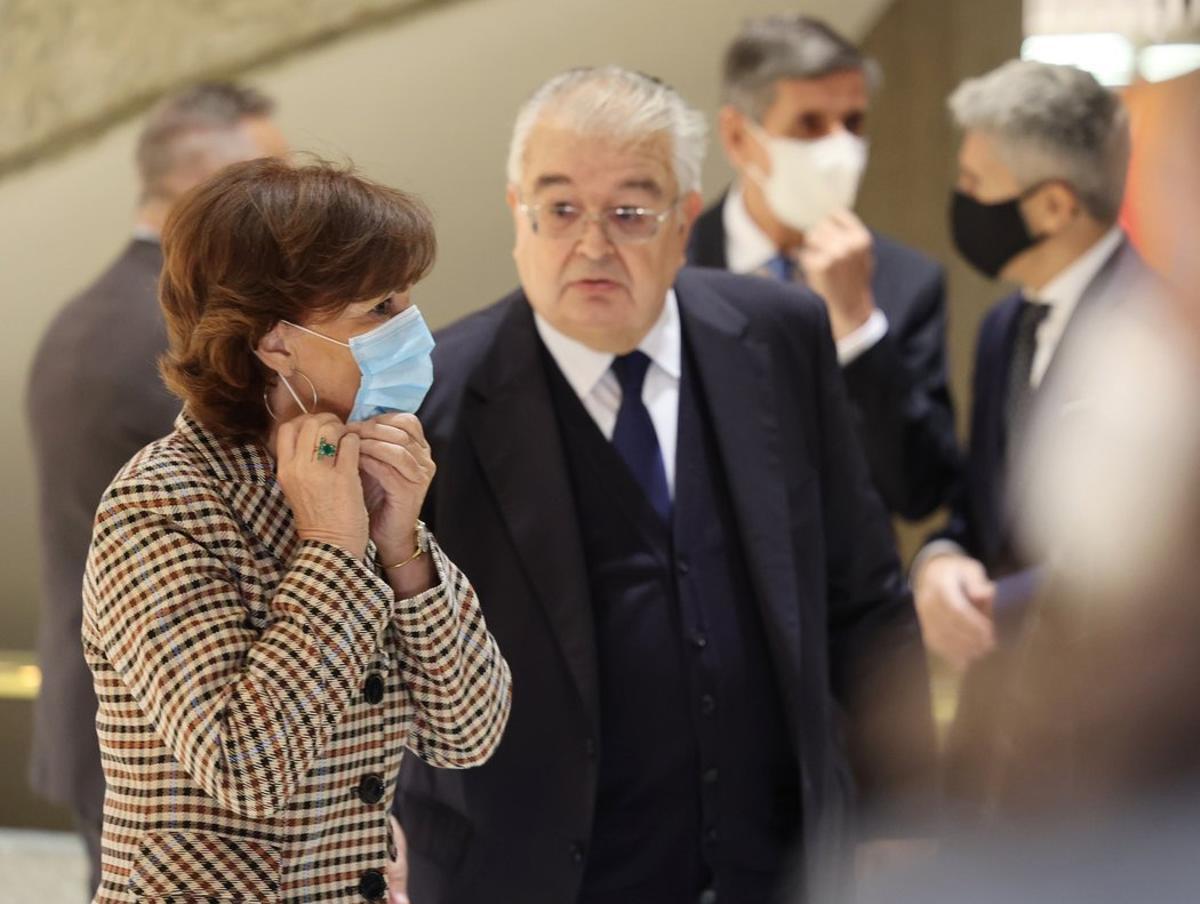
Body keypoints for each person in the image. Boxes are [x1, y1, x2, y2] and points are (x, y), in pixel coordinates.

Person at [393, 66, 934, 904]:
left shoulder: (778, 337)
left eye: (631, 212)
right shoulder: (435, 402)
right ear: (517, 214)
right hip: (532, 872)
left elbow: (863, 596)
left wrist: (902, 815)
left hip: (775, 865)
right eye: (561, 207)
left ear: (686, 221)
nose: (594, 244)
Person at [81, 157, 511, 904]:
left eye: (406, 302)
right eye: (378, 309)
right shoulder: (160, 503)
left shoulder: (361, 466)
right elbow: (247, 767)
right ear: (274, 343)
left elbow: (467, 733)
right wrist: (334, 549)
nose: (411, 331)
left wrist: (402, 546)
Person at [25, 81, 287, 895]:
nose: (290, 206)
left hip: (119, 711)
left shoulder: (82, 317)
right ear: (208, 190)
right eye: (269, 179)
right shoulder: (180, 341)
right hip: (172, 743)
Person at [911, 60, 1150, 672]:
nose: (961, 200)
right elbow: (984, 508)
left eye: (974, 182)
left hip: (1112, 714)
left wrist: (995, 605)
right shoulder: (1003, 327)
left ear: (1052, 207)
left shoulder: (1158, 337)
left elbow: (1140, 560)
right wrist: (939, 560)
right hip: (1002, 717)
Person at [688, 14, 959, 521]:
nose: (838, 150)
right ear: (739, 137)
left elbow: (921, 491)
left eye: (852, 123)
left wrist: (857, 327)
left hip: (845, 593)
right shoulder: (670, 267)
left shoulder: (906, 281)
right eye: (809, 124)